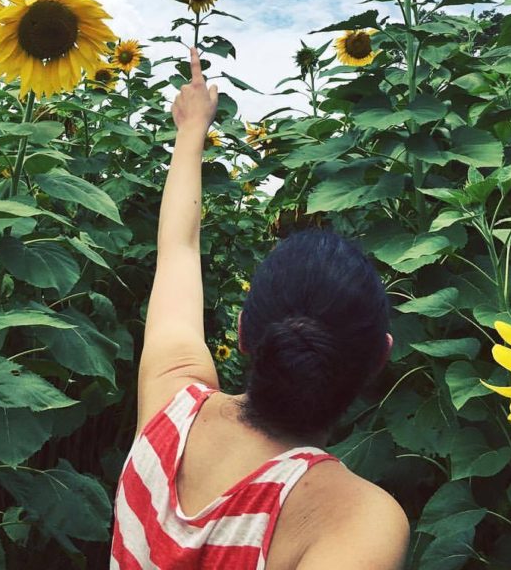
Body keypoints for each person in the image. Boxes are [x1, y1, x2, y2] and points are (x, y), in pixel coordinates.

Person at [110, 46, 410, 569]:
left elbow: (178, 247)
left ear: (246, 333)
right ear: (379, 358)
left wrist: (191, 129)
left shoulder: (170, 408)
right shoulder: (354, 520)